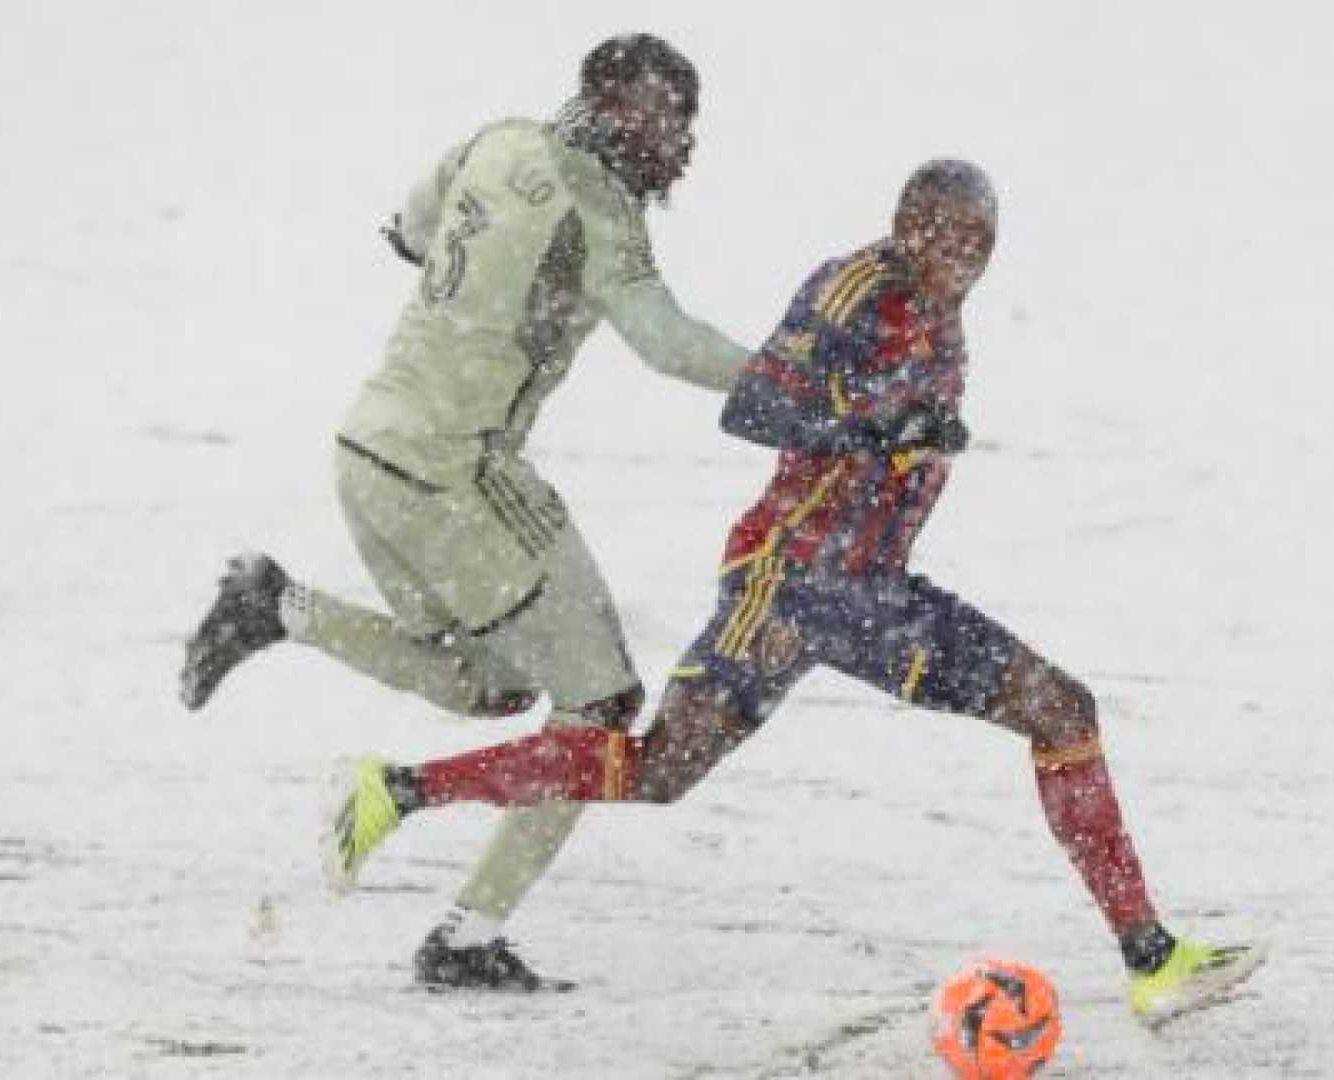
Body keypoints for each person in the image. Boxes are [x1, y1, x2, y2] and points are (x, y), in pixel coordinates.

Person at [324, 159, 1266, 1021]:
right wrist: (881, 422)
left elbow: (894, 422)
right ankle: (1150, 958)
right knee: (1063, 710)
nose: (962, 257)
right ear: (904, 223)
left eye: (980, 242)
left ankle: (399, 790)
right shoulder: (855, 286)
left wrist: (923, 436)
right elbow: (757, 405)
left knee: (658, 772)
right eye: (944, 233)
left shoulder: (941, 304)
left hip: (836, 582)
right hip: (813, 577)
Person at [179, 33, 754, 992]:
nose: (681, 144)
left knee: (486, 686)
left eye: (687, 122)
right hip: (459, 476)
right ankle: (463, 938)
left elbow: (409, 233)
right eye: (668, 120)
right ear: (612, 109)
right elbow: (666, 343)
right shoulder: (601, 209)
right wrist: (801, 383)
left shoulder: (497, 140)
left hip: (368, 452)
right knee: (601, 708)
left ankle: (277, 606)